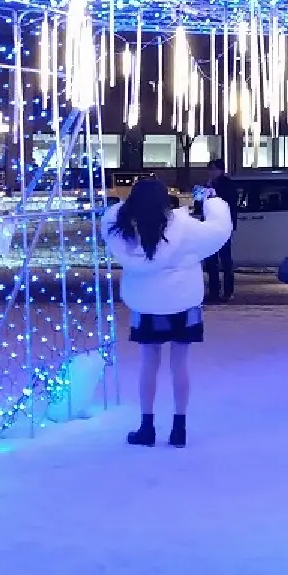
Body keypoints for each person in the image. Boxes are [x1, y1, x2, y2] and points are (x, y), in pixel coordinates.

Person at [103, 176, 233, 448]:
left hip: (147, 305)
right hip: (183, 303)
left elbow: (110, 217)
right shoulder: (186, 229)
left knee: (148, 363)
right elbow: (220, 230)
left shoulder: (122, 230)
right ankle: (179, 428)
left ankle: (147, 427)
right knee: (180, 364)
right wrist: (213, 203)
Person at [199, 158, 237, 303]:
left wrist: (213, 192)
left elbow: (229, 202)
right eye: (210, 169)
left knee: (225, 260)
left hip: (223, 226)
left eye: (214, 169)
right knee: (211, 260)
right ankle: (214, 291)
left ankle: (228, 291)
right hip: (210, 227)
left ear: (221, 170)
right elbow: (201, 203)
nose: (212, 172)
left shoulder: (227, 184)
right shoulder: (208, 184)